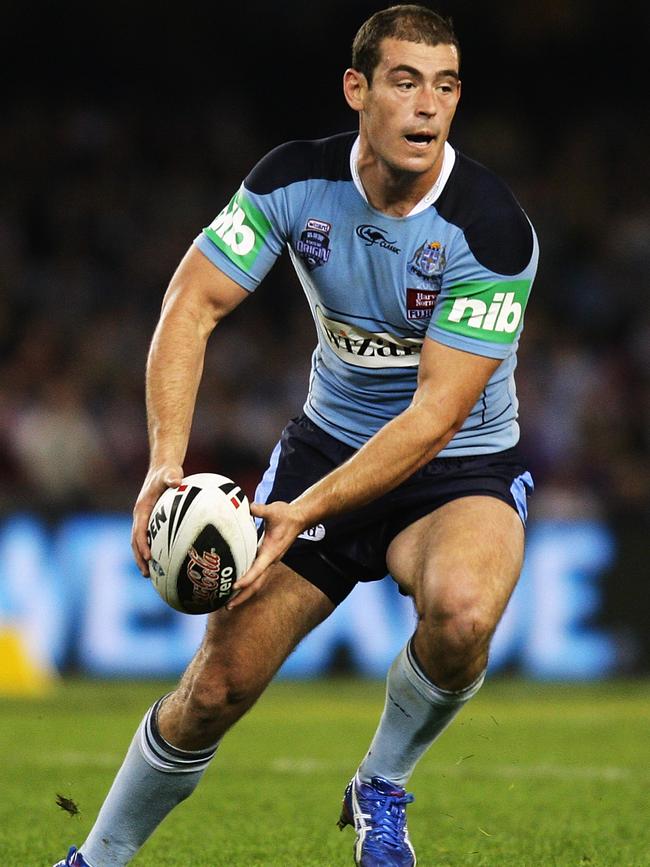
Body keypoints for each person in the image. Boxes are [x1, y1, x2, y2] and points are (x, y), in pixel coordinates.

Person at [55, 4, 538, 865]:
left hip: (458, 465)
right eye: (404, 82)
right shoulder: (291, 182)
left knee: (463, 615)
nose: (428, 107)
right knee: (216, 687)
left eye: (446, 86)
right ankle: (94, 859)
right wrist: (164, 466)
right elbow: (190, 304)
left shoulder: (493, 231)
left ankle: (381, 784)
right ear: (357, 90)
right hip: (327, 444)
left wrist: (297, 510)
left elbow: (432, 419)